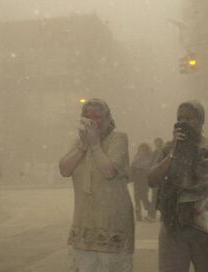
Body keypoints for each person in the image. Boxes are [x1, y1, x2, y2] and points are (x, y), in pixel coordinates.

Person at [148, 100, 208, 272]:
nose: (183, 122)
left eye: (189, 118)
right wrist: (174, 153)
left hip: (207, 225)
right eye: (180, 118)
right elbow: (152, 179)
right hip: (173, 226)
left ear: (201, 121)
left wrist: (192, 152)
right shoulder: (169, 150)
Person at [59, 98, 134, 272]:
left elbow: (109, 171)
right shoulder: (78, 143)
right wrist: (83, 146)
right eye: (87, 116)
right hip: (84, 223)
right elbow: (64, 169)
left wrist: (95, 145)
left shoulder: (119, 139)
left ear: (108, 119)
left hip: (112, 223)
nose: (92, 121)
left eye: (98, 117)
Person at [130, 143, 153, 221]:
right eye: (141, 149)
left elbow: (149, 167)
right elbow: (132, 165)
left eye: (143, 149)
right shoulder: (137, 156)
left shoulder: (149, 156)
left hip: (144, 180)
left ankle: (150, 212)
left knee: (144, 198)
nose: (142, 151)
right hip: (137, 180)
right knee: (137, 198)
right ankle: (138, 215)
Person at [148, 137, 164, 220]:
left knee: (160, 196)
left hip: (162, 178)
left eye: (159, 143)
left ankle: (162, 215)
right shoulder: (154, 153)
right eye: (156, 143)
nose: (158, 144)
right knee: (155, 197)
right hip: (156, 177)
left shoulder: (164, 152)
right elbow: (150, 164)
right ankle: (152, 214)